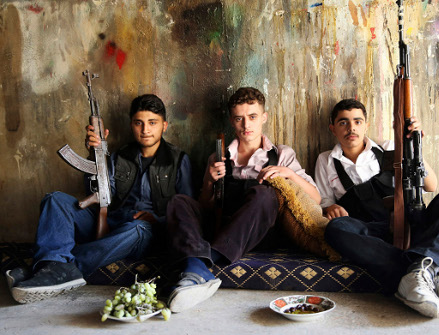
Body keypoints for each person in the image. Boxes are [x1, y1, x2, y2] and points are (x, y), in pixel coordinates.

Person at [6, 94, 194, 303]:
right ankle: (51, 264)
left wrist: (157, 220)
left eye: (152, 123)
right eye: (138, 123)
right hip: (114, 222)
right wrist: (94, 157)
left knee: (138, 229)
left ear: (164, 125)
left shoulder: (178, 160)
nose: (145, 130)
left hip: (145, 232)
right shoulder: (120, 156)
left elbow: (187, 210)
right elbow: (101, 193)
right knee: (55, 199)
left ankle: (59, 269)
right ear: (131, 124)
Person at [314, 98, 439, 318]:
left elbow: (431, 185)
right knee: (335, 229)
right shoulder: (326, 160)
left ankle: (419, 273)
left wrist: (414, 146)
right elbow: (323, 202)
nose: (351, 128)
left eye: (357, 121)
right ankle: (433, 274)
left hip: (412, 222)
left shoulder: (391, 147)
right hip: (373, 233)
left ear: (366, 125)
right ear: (333, 128)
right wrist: (330, 208)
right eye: (343, 122)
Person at [166, 87, 321, 313]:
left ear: (264, 118)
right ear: (231, 120)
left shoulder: (282, 154)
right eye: (239, 119)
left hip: (260, 233)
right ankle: (201, 263)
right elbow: (205, 207)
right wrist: (209, 181)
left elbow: (316, 198)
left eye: (252, 117)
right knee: (179, 201)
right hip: (222, 226)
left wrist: (290, 174)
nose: (246, 125)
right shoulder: (218, 156)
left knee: (265, 194)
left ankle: (200, 264)